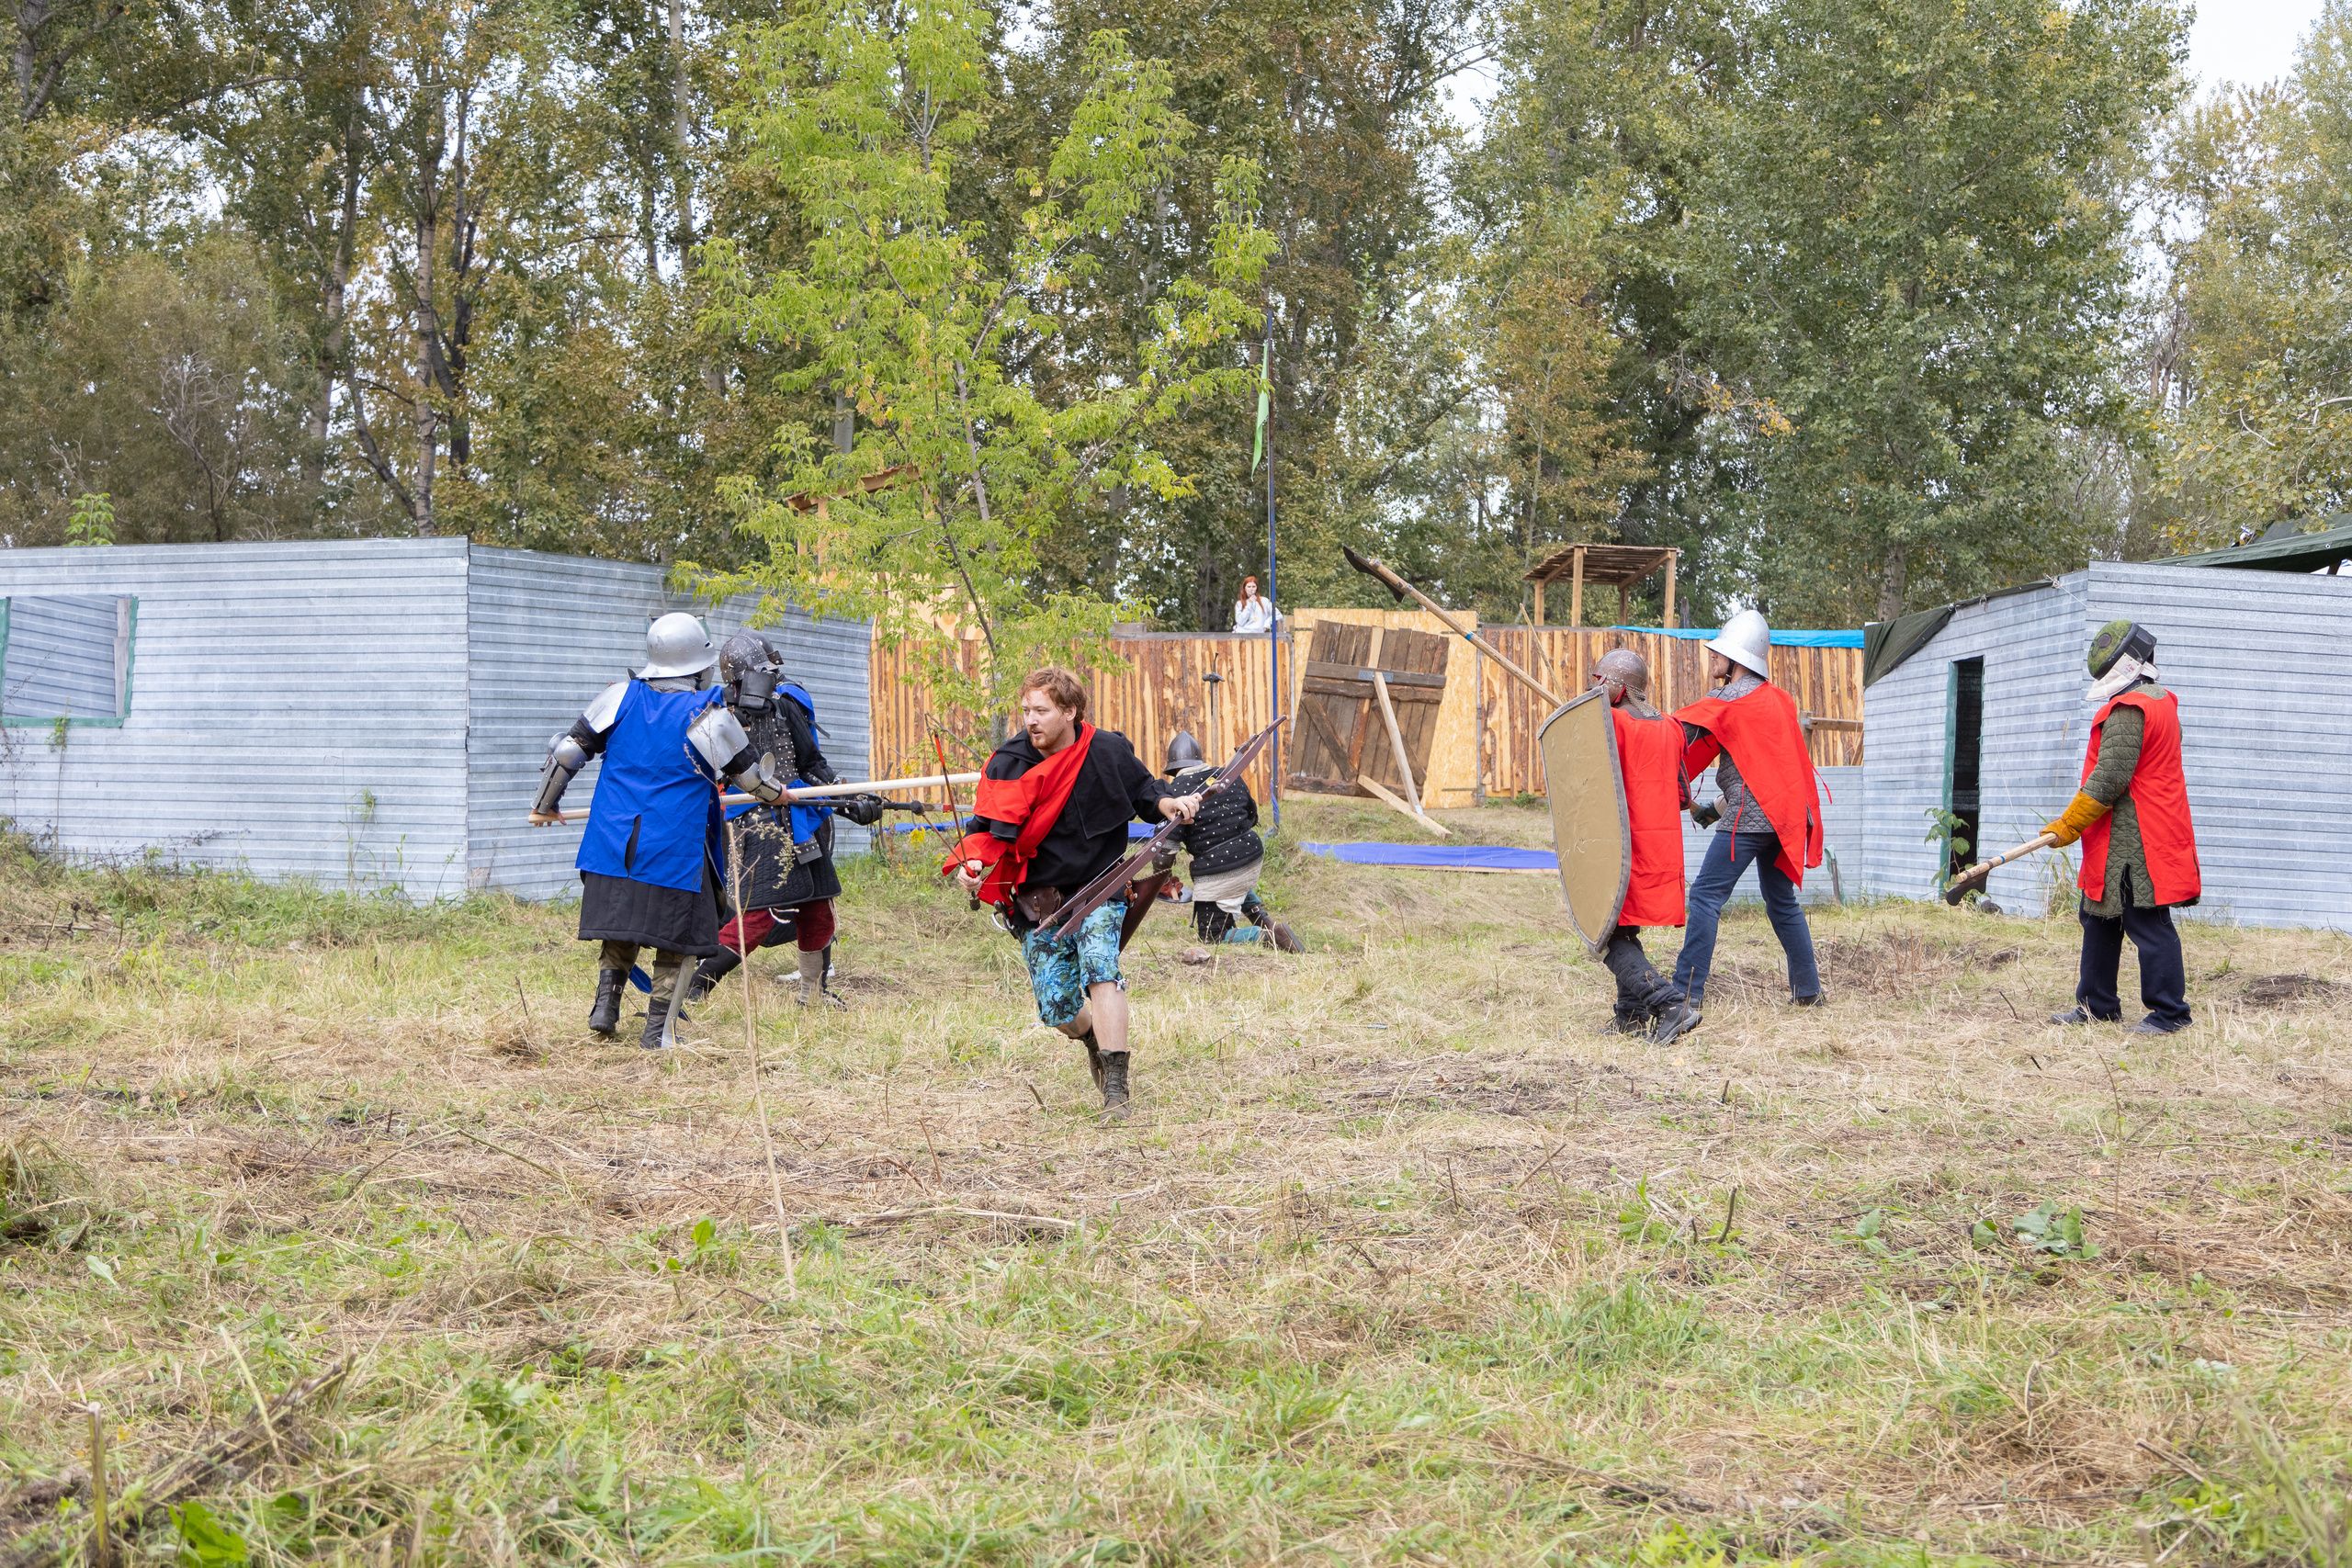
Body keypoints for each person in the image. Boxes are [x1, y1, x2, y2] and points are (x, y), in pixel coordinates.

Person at [946, 669, 1203, 1116]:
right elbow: (983, 831)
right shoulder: (1007, 761)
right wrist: (970, 867)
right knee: (1057, 1006)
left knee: (1102, 970)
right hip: (1036, 899)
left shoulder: (1106, 749)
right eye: (1026, 710)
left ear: (1069, 712)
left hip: (1098, 888)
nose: (1031, 720)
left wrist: (1169, 804)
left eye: (1041, 710)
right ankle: (1090, 1038)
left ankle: (1117, 1090)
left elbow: (1144, 791)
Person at [529, 614, 789, 1048]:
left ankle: (605, 1009)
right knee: (680, 937)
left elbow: (568, 750)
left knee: (621, 923)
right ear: (696, 666)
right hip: (673, 847)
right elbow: (751, 782)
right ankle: (658, 1033)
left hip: (611, 843)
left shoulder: (619, 697)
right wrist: (779, 794)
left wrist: (545, 804)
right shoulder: (707, 714)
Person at [685, 632, 885, 1010]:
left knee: (818, 909)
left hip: (800, 823)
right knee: (758, 918)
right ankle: (696, 988)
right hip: (754, 824)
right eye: (760, 671)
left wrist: (848, 800)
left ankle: (813, 996)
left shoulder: (785, 706)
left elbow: (811, 766)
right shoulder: (716, 715)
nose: (768, 679)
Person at [2041, 619, 2199, 1033]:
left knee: (2146, 923)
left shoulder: (2134, 708)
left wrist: (2068, 824)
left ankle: (2170, 1014)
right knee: (2098, 917)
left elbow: (2110, 779)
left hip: (2137, 838)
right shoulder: (2159, 701)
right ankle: (2096, 1006)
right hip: (2116, 837)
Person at [1669, 609, 1825, 1010]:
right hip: (1783, 818)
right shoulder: (1780, 701)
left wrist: (1629, 717)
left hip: (1750, 820)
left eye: (1720, 652)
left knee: (1705, 897)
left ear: (1737, 660)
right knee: (1781, 902)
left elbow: (1671, 736)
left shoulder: (1726, 699)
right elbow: (1759, 773)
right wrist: (1706, 812)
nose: (1713, 658)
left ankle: (1686, 995)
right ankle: (1808, 992)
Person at [1590, 650, 1700, 1042]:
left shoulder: (1610, 723)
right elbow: (1682, 793)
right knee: (1624, 926)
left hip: (1621, 845)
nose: (1593, 686)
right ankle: (1631, 1017)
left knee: (1608, 935)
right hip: (1661, 847)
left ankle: (1669, 1004)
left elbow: (1592, 791)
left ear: (1614, 687)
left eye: (1597, 679)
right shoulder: (1669, 726)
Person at [1161, 730, 1303, 952]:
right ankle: (1264, 920)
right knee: (1232, 869)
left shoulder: (1175, 793)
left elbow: (1166, 848)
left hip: (1221, 869)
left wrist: (1163, 879)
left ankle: (1267, 936)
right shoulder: (1226, 775)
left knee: (1212, 934)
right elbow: (1252, 814)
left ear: (1173, 769)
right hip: (1252, 855)